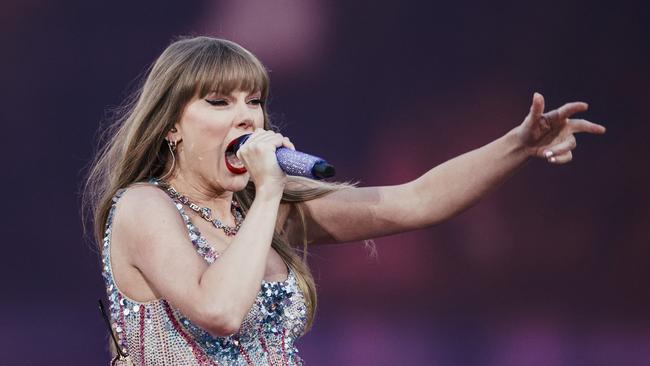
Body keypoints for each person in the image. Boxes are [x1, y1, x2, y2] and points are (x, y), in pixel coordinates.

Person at [82, 36, 606, 366]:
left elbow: (414, 202)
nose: (247, 118)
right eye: (219, 102)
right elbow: (218, 310)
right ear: (172, 125)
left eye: (255, 101)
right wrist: (268, 191)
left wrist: (517, 144)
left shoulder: (266, 214)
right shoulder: (144, 208)